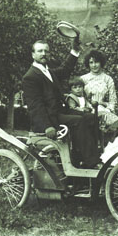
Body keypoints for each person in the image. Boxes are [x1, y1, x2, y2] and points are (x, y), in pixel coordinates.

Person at [22, 37, 102, 169]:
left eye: (46, 51)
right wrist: (47, 126)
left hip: (59, 113)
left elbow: (65, 70)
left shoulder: (48, 71)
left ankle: (82, 156)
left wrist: (74, 51)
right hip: (48, 120)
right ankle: (92, 163)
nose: (43, 54)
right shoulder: (30, 77)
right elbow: (35, 106)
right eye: (40, 51)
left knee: (91, 117)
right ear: (33, 54)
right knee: (79, 121)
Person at [80, 50, 118, 127]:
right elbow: (80, 98)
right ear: (88, 64)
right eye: (91, 62)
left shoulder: (108, 79)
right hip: (87, 111)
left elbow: (113, 100)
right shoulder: (83, 79)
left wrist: (108, 109)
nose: (94, 65)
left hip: (104, 110)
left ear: (101, 63)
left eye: (96, 62)